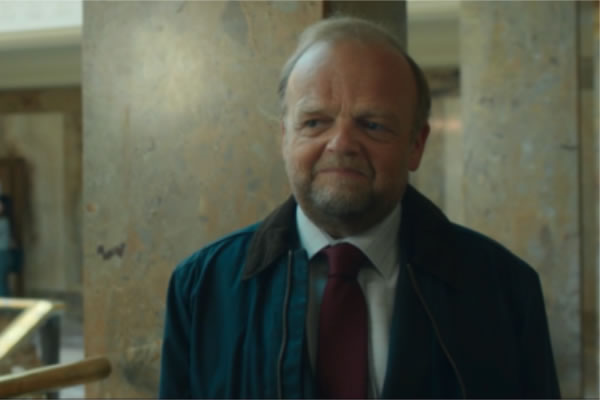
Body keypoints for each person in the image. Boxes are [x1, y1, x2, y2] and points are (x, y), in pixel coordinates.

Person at [159, 16, 560, 399]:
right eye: (315, 122)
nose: (341, 144)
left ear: (416, 144)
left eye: (373, 124)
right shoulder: (202, 289)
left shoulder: (503, 291)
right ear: (285, 137)